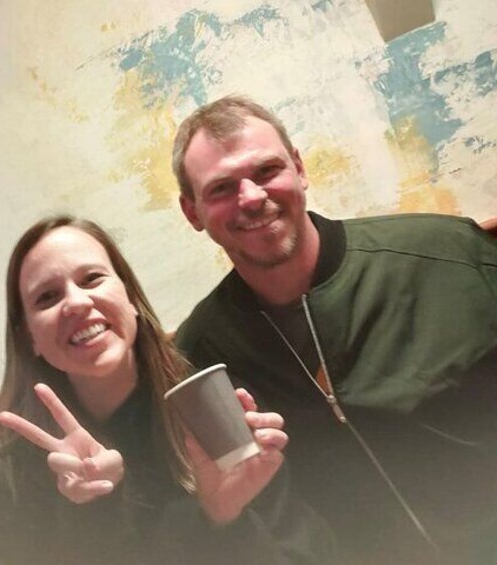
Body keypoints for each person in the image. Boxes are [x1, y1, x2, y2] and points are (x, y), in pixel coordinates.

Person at [173, 94, 497, 564]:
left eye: (267, 171)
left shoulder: (447, 256)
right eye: (221, 188)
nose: (252, 197)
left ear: (299, 168)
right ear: (192, 213)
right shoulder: (199, 358)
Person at [0, 215, 336, 564]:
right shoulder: (7, 456)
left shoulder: (213, 402)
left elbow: (305, 552)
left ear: (131, 298)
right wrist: (92, 509)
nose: (77, 303)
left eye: (92, 279)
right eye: (47, 297)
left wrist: (225, 518)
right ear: (29, 337)